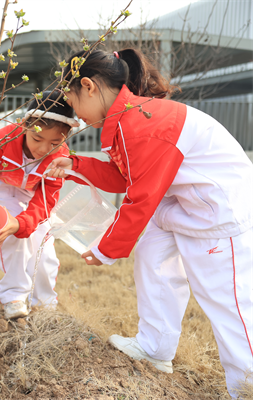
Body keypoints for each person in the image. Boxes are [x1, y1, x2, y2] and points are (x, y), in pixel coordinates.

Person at [46, 48, 253, 397]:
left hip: (218, 211)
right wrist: (76, 165)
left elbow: (140, 198)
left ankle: (245, 385)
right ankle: (156, 347)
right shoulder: (131, 117)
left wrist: (106, 248)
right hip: (183, 204)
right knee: (153, 258)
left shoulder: (142, 123)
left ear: (89, 86)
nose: (77, 116)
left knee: (227, 302)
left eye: (72, 100)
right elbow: (126, 178)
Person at [0, 92, 79, 320]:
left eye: (54, 143)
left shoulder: (61, 158)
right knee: (15, 236)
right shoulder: (4, 138)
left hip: (34, 192)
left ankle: (44, 302)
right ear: (24, 126)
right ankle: (13, 296)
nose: (43, 149)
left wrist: (24, 223)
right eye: (37, 139)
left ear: (65, 138)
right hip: (4, 184)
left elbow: (45, 199)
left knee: (44, 248)